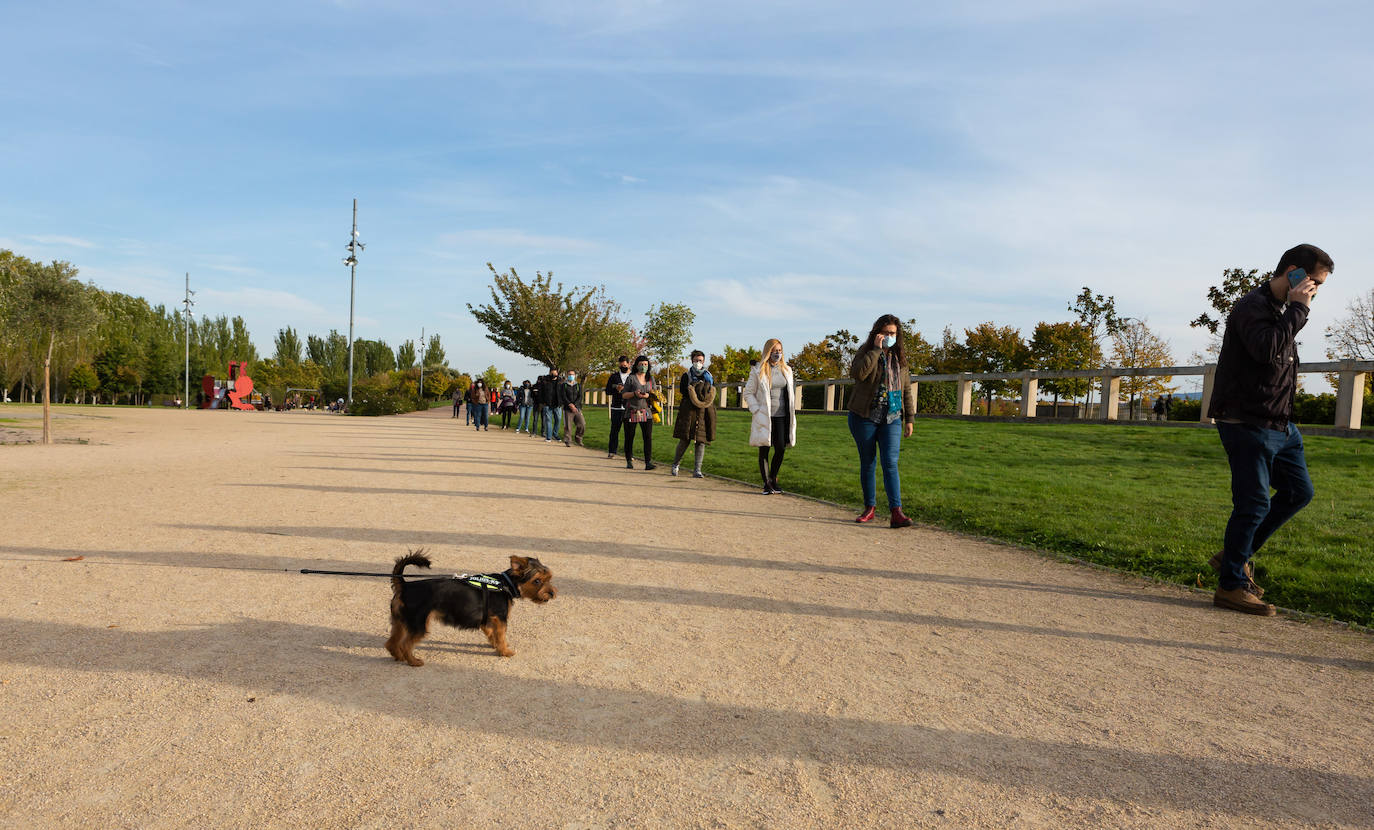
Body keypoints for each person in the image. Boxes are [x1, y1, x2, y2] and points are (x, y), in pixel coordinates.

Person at [1207, 243, 1332, 616]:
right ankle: (1231, 585)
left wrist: (1293, 309)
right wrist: (1299, 307)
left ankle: (1235, 555)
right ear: (1293, 272)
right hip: (1247, 422)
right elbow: (1266, 350)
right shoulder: (1252, 307)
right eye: (1314, 282)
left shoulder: (1280, 310)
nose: (1315, 290)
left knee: (1298, 491)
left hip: (1280, 424)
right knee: (1254, 503)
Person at [848, 315, 916, 528]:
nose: (889, 337)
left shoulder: (900, 358)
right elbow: (858, 374)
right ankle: (870, 508)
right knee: (868, 462)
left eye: (893, 333)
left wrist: (910, 419)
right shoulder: (865, 351)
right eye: (885, 333)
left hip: (892, 417)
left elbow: (906, 389)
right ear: (877, 333)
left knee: (890, 463)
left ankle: (897, 512)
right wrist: (876, 350)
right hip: (864, 416)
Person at [743, 339, 796, 494]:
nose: (777, 353)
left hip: (781, 415)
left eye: (780, 350)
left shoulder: (787, 370)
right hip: (765, 414)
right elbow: (748, 393)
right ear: (768, 351)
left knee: (780, 447)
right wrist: (756, 409)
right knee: (764, 448)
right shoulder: (758, 370)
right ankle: (766, 483)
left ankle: (773, 478)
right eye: (774, 350)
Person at [671, 368, 716, 478]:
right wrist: (695, 390)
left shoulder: (708, 376)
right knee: (684, 440)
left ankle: (697, 470)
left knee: (700, 441)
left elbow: (711, 390)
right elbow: (683, 390)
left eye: (700, 360)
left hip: (703, 412)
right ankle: (675, 464)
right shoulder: (687, 375)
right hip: (689, 411)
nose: (698, 362)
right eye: (696, 360)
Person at [621, 355, 657, 470]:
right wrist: (634, 394)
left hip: (646, 411)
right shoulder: (631, 378)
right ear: (637, 365)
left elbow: (655, 394)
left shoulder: (650, 379)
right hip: (632, 411)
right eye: (641, 364)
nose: (643, 366)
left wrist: (647, 395)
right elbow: (624, 394)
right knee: (629, 436)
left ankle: (648, 462)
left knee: (647, 437)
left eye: (646, 364)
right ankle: (629, 460)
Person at [605, 355, 632, 459]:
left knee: (629, 432)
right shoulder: (614, 377)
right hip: (616, 407)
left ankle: (629, 454)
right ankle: (612, 451)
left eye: (625, 365)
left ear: (629, 364)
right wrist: (616, 388)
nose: (623, 367)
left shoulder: (633, 376)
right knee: (614, 431)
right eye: (621, 365)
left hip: (629, 408)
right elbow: (607, 390)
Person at [560, 370, 585, 447]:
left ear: (575, 375)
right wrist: (570, 404)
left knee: (582, 424)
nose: (571, 376)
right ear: (567, 375)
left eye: (572, 374)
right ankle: (568, 441)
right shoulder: (564, 385)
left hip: (577, 408)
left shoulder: (578, 385)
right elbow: (563, 396)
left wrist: (575, 405)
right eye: (569, 374)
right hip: (567, 409)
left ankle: (578, 438)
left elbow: (580, 396)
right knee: (568, 426)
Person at [538, 368, 562, 442]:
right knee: (548, 420)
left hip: (557, 404)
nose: (553, 375)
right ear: (549, 373)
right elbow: (540, 392)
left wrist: (562, 402)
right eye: (552, 373)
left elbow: (563, 392)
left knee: (558, 419)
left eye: (555, 373)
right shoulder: (544, 381)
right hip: (547, 404)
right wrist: (542, 402)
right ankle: (548, 437)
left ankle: (555, 434)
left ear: (557, 374)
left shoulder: (561, 381)